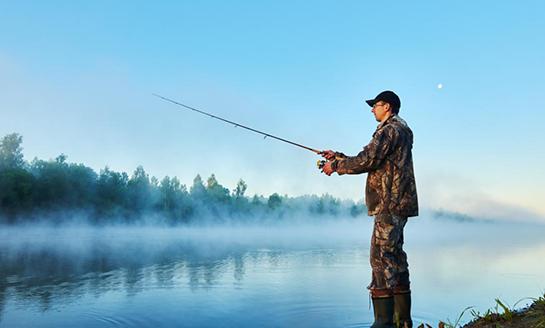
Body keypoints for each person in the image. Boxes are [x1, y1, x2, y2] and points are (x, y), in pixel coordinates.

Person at [320, 90, 418, 328]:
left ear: (388, 107)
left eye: (375, 105)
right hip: (397, 202)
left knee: (381, 259)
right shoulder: (399, 130)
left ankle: (384, 322)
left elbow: (368, 160)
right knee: (394, 257)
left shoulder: (390, 130)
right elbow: (374, 159)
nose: (372, 109)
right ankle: (402, 321)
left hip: (389, 203)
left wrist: (336, 166)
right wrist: (340, 157)